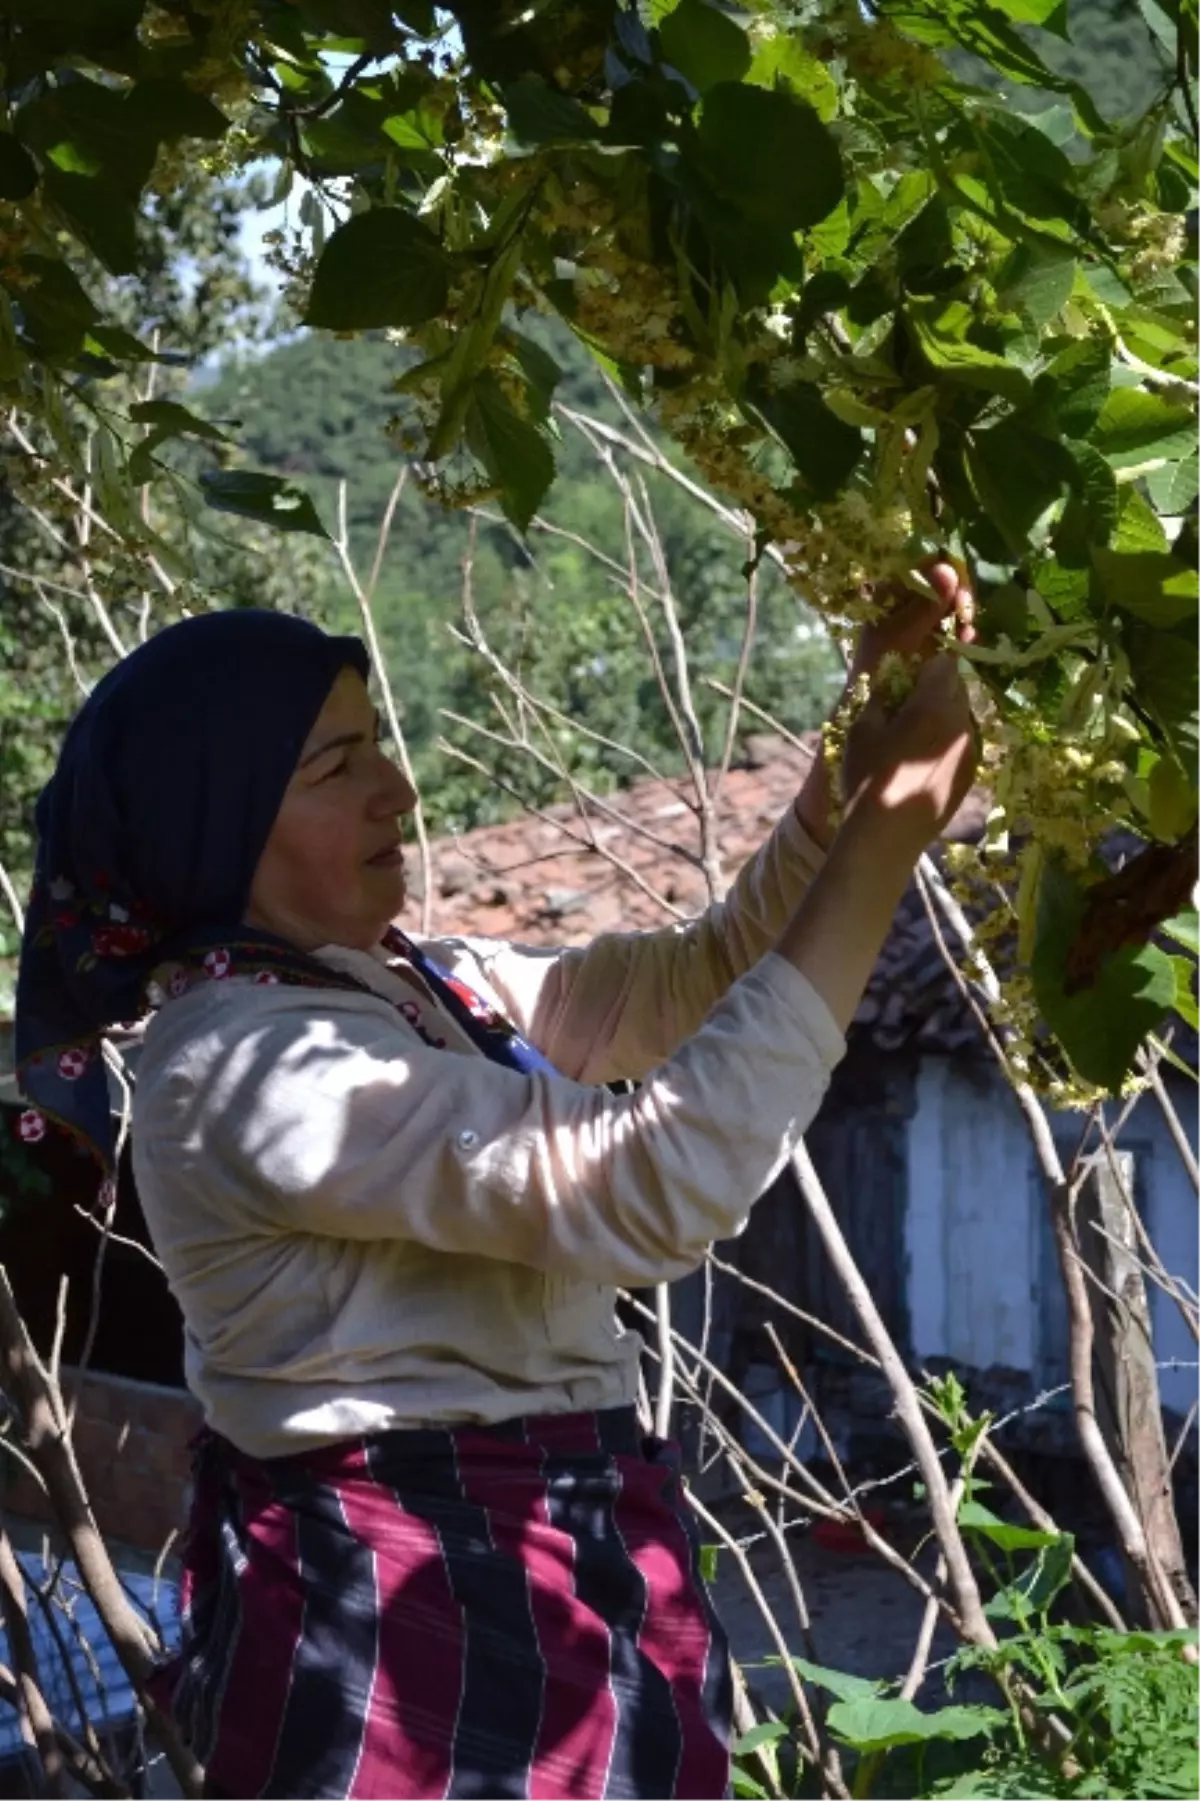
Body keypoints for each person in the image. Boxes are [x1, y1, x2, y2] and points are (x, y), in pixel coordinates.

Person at [14, 564, 976, 1801]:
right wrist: (890, 831)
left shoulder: (402, 986)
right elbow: (653, 1184)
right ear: (218, 822)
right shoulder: (249, 1067)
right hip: (421, 1622)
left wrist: (852, 763)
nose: (396, 792)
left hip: (562, 1558)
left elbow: (696, 985)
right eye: (334, 768)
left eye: (377, 749)